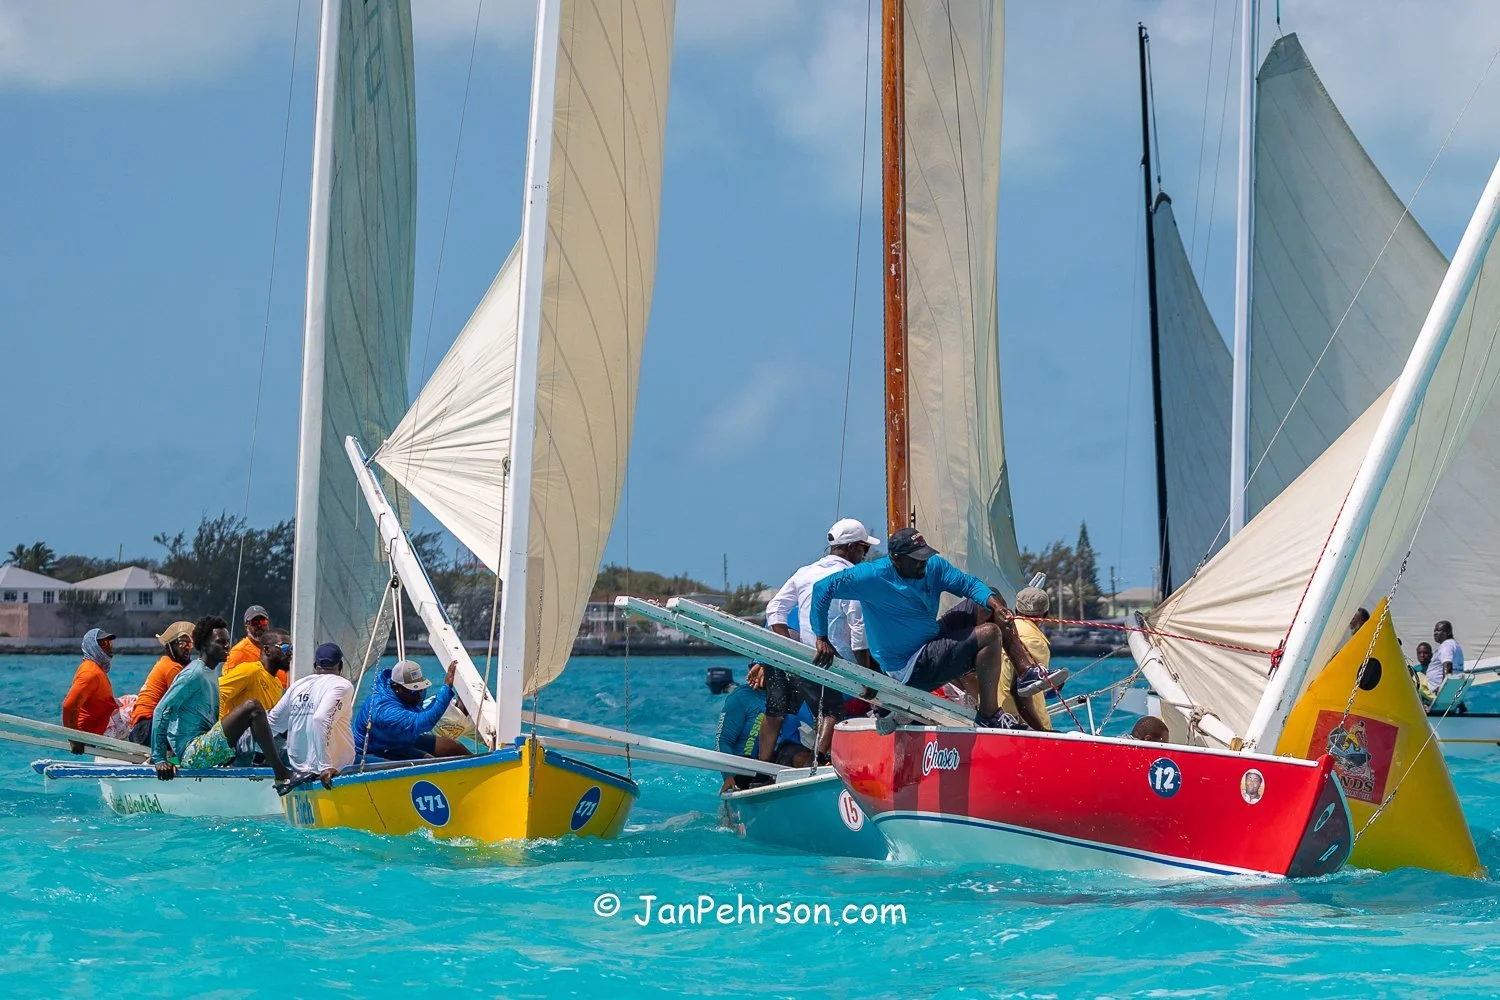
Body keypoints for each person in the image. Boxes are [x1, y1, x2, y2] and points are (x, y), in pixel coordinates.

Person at [810, 527, 1066, 730]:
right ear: (896, 560)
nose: (923, 564)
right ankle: (989, 715)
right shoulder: (871, 576)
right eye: (917, 560)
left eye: (925, 556)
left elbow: (969, 584)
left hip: (931, 642)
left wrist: (997, 606)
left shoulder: (932, 566)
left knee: (990, 597)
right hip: (908, 667)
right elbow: (822, 589)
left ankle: (1026, 672)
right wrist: (821, 637)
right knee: (990, 634)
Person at [763, 518, 878, 763]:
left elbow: (774, 608)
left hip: (806, 657)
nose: (865, 555)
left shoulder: (804, 572)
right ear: (850, 548)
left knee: (811, 710)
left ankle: (767, 766)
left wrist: (790, 648)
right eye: (864, 548)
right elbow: (858, 627)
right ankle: (819, 762)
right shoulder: (850, 576)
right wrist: (866, 675)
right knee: (833, 712)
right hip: (840, 660)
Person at [151, 615, 292, 788]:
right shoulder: (194, 674)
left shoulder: (210, 672)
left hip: (207, 746)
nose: (227, 646)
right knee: (253, 707)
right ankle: (281, 773)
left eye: (227, 641)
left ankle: (265, 773)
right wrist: (159, 758)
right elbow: (162, 710)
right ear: (204, 645)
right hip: (192, 754)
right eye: (220, 642)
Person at [267, 641, 356, 788]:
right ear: (340, 666)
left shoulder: (297, 686)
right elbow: (320, 719)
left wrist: (260, 757)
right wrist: (325, 766)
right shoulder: (342, 685)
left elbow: (272, 724)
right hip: (335, 772)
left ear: (315, 665)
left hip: (298, 771)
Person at [353, 659, 469, 764]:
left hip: (398, 740)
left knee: (455, 748)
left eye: (421, 688)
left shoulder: (410, 693)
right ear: (396, 687)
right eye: (414, 690)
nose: (419, 694)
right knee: (429, 763)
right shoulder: (383, 711)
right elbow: (424, 723)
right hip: (373, 751)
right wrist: (447, 687)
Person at [1003, 587, 1068, 731]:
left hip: (998, 718)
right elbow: (1020, 690)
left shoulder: (1001, 629)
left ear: (1016, 609)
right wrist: (1041, 730)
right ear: (1045, 614)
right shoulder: (1035, 641)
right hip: (1022, 725)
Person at [128, 621, 194, 746]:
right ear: (170, 646)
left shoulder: (165, 663)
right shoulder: (172, 668)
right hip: (147, 729)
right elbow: (187, 704)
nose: (186, 647)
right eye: (181, 643)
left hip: (141, 729)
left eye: (189, 644)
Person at [62, 628, 119, 752]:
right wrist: (74, 738)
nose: (109, 647)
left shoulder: (93, 668)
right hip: (95, 731)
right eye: (103, 643)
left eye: (110, 643)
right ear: (92, 646)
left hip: (101, 721)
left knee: (132, 701)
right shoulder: (90, 673)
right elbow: (69, 706)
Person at [220, 627, 288, 719]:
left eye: (291, 648)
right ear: (267, 650)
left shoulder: (277, 684)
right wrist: (219, 725)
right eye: (284, 648)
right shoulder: (249, 670)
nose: (289, 653)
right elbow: (218, 693)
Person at [225, 605, 280, 683]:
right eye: (254, 623)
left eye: (263, 621)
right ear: (246, 626)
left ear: (267, 623)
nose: (259, 625)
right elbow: (227, 683)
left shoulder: (277, 649)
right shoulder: (238, 653)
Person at [1431, 620, 1465, 695]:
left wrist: (1443, 689)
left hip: (1442, 691)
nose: (1435, 633)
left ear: (1448, 632)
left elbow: (1447, 665)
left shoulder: (1446, 645)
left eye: (1438, 631)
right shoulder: (1453, 644)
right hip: (1455, 685)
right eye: (1435, 631)